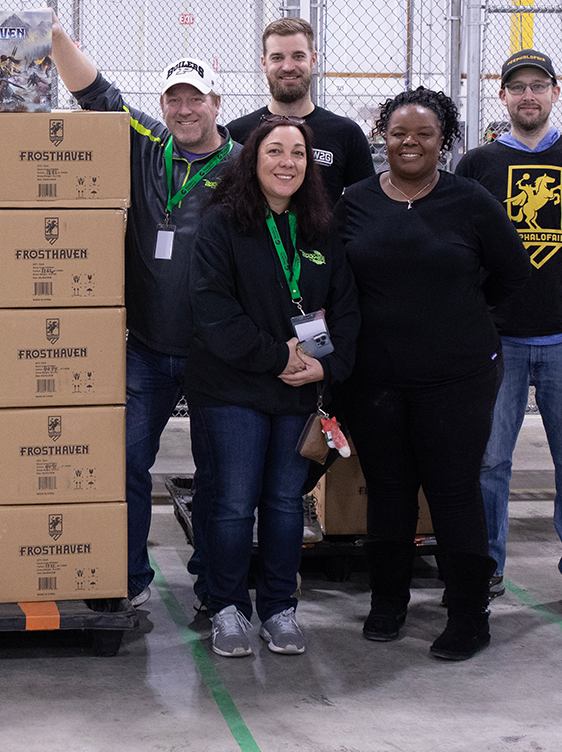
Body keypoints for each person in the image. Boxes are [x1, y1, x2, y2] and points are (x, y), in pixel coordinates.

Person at [47, 13, 240, 608]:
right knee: (126, 463)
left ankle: (213, 584)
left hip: (216, 355)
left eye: (196, 99)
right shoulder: (148, 143)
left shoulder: (242, 168)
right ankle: (128, 580)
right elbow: (94, 92)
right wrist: (49, 30)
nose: (185, 110)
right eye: (174, 99)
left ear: (215, 102)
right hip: (149, 350)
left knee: (218, 478)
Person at [337, 87, 530, 661]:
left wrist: (465, 318)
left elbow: (513, 275)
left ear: (443, 140)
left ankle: (469, 615)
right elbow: (335, 284)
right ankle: (388, 602)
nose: (410, 143)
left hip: (458, 378)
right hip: (373, 381)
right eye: (399, 133)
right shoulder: (354, 202)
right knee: (389, 492)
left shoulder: (469, 201)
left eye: (424, 134)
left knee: (453, 493)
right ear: (382, 138)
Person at [458, 49, 562, 620]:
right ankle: (486, 568)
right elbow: (460, 255)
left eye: (539, 86)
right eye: (517, 87)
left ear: (556, 92)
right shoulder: (477, 165)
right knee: (488, 463)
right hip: (496, 343)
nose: (528, 96)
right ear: (501, 95)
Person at [190, 116, 359, 657]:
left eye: (298, 153)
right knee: (235, 503)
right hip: (233, 389)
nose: (287, 161)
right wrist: (276, 355)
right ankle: (228, 608)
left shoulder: (321, 228)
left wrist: (325, 368)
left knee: (286, 503)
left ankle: (280, 607)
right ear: (252, 159)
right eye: (274, 151)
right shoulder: (221, 225)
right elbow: (213, 311)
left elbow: (347, 307)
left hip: (297, 392)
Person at [225, 17, 374, 207]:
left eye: (298, 56)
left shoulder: (346, 134)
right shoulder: (237, 134)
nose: (288, 67)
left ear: (313, 60)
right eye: (277, 57)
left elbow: (364, 208)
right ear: (264, 63)